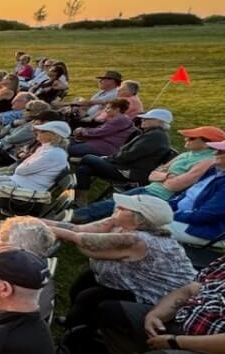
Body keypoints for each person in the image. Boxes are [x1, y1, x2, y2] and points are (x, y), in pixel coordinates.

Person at [45, 194, 197, 331]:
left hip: (157, 293)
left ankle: (77, 334)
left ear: (139, 218)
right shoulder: (118, 222)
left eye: (126, 207)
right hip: (130, 278)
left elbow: (83, 241)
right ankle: (74, 319)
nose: (119, 206)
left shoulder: (139, 240)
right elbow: (77, 229)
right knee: (83, 282)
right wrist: (34, 219)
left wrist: (36, 225)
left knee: (89, 297)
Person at [72, 125, 224, 222]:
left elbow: (175, 186)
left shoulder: (207, 161)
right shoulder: (187, 154)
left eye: (191, 138)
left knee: (113, 204)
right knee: (111, 202)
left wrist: (164, 176)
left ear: (207, 143)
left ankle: (71, 220)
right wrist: (166, 176)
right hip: (151, 188)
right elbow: (153, 174)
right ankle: (75, 218)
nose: (185, 139)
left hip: (162, 198)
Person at [168, 140, 225, 245]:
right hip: (185, 217)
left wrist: (170, 215)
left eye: (220, 152)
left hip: (206, 230)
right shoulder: (213, 171)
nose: (214, 153)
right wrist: (163, 206)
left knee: (142, 224)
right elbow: (185, 195)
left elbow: (205, 216)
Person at [67, 98, 135, 157]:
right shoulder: (121, 119)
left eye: (108, 108)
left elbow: (100, 132)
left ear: (117, 109)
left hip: (104, 147)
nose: (105, 110)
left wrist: (82, 130)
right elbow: (101, 130)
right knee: (69, 143)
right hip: (99, 143)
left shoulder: (120, 120)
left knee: (69, 149)